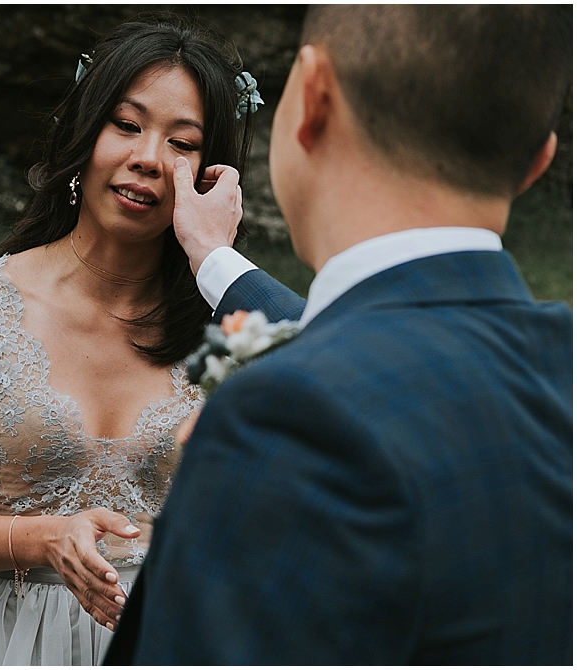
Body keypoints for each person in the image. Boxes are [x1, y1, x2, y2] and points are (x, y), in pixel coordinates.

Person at [106, 5, 572, 665]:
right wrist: (214, 259)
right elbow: (397, 350)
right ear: (536, 162)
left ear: (313, 95)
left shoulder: (289, 419)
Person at [0, 20, 277, 665]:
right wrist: (43, 539)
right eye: (126, 125)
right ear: (85, 133)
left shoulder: (234, 325)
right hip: (12, 644)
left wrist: (215, 258)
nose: (149, 158)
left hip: (178, 634)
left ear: (213, 173)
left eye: (183, 143)